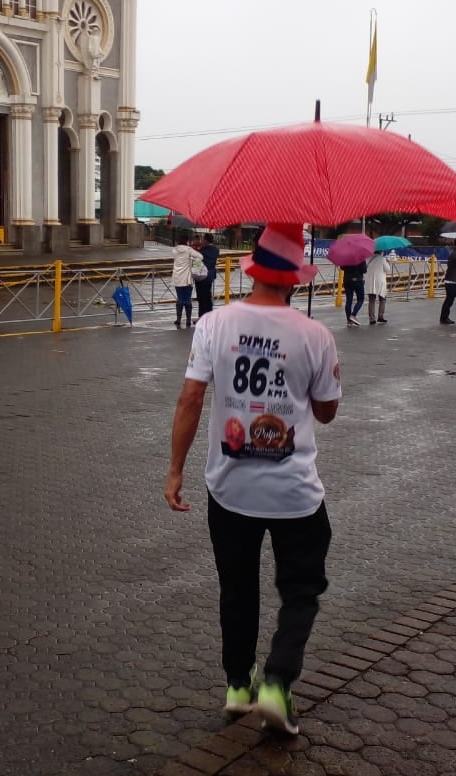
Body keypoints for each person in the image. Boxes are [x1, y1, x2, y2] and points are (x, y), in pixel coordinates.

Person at [164, 223, 341, 736]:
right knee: (302, 590)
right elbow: (326, 413)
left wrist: (175, 470)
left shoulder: (214, 325)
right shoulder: (316, 335)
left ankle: (237, 687)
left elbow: (190, 399)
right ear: (294, 280)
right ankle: (276, 684)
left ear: (255, 271)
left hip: (229, 488)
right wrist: (330, 376)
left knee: (236, 589)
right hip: (295, 494)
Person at [171, 235, 200, 328]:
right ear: (187, 241)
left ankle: (178, 319)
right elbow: (198, 259)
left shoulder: (175, 250)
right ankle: (188, 320)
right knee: (187, 298)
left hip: (178, 278)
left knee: (180, 298)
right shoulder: (190, 251)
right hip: (188, 278)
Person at [365, 250, 392, 325]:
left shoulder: (368, 259)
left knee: (371, 300)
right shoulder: (383, 259)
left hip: (370, 281)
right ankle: (380, 316)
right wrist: (388, 262)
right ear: (381, 252)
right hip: (380, 281)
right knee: (382, 299)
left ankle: (372, 318)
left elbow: (364, 269)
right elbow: (388, 270)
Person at [196, 233, 221, 317]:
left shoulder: (202, 251)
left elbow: (198, 262)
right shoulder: (216, 250)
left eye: (202, 239)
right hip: (210, 276)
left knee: (201, 297)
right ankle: (209, 315)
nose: (201, 241)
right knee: (207, 295)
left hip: (201, 276)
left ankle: (202, 316)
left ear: (206, 240)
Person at [342, 260, 365, 327]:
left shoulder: (346, 257)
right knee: (361, 299)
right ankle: (353, 315)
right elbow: (364, 270)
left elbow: (342, 267)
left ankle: (349, 321)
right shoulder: (360, 257)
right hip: (358, 280)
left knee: (349, 300)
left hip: (347, 280)